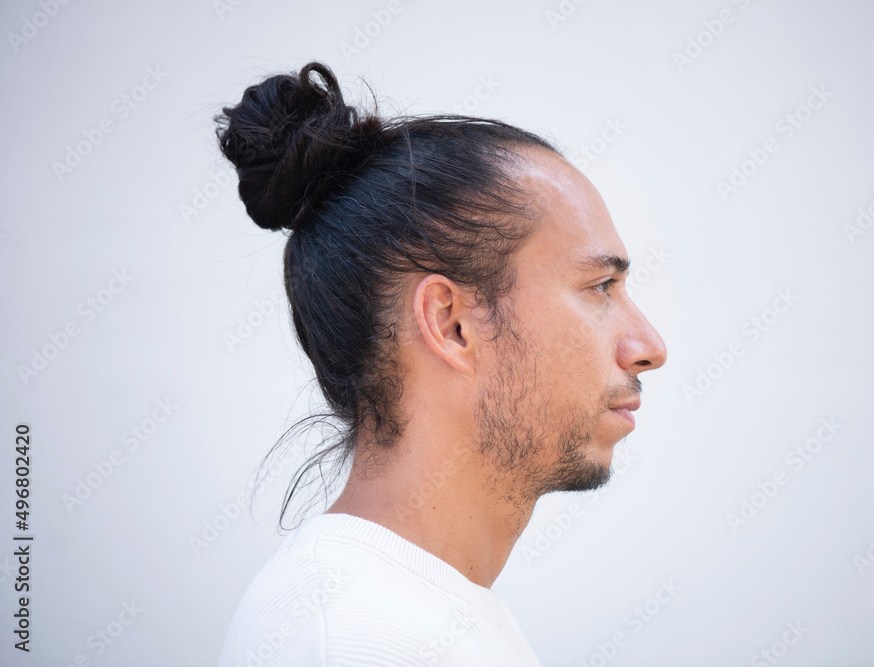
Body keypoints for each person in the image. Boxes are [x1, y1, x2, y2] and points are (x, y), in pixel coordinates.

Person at [214, 61, 667, 666]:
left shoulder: (415, 612)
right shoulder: (354, 638)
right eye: (600, 287)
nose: (648, 346)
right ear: (452, 324)